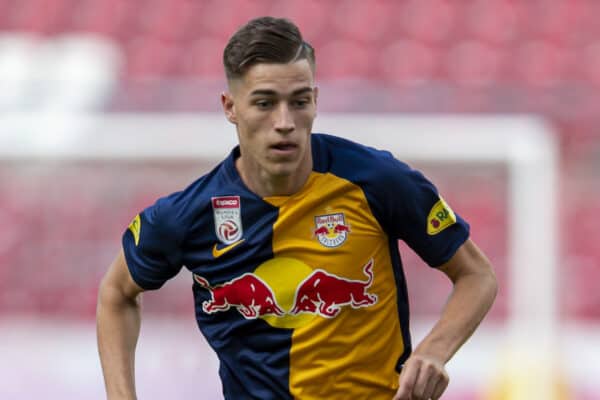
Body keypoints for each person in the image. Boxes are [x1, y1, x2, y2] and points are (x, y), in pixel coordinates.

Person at [97, 16, 498, 400]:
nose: (285, 121)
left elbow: (476, 275)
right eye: (265, 103)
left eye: (299, 101)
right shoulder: (189, 215)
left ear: (316, 101)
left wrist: (433, 351)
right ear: (230, 107)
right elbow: (116, 292)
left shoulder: (376, 179)